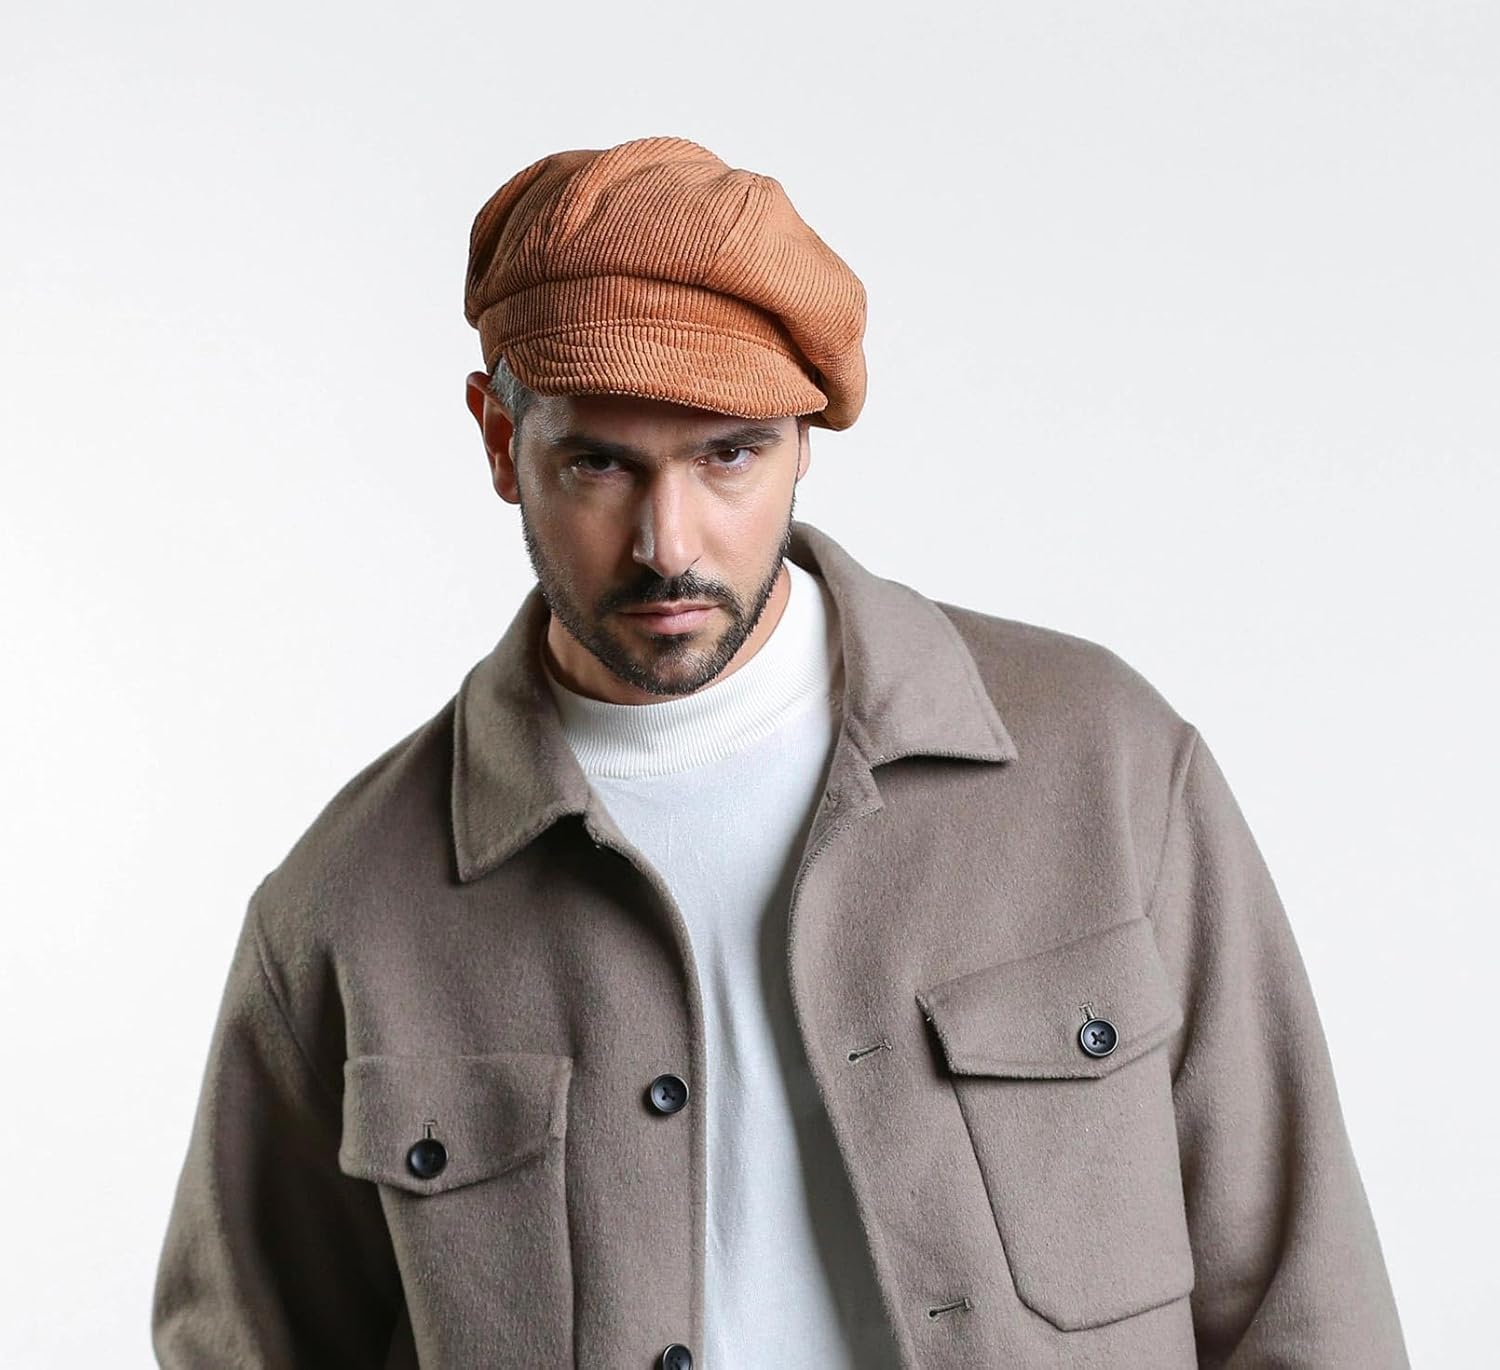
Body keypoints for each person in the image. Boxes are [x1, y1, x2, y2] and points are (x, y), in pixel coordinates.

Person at [151, 135, 1409, 1369]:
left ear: (805, 439)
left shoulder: (1104, 767)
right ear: (497, 440)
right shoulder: (345, 909)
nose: (668, 542)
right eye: (598, 462)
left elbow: (1303, 1296)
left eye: (728, 454)